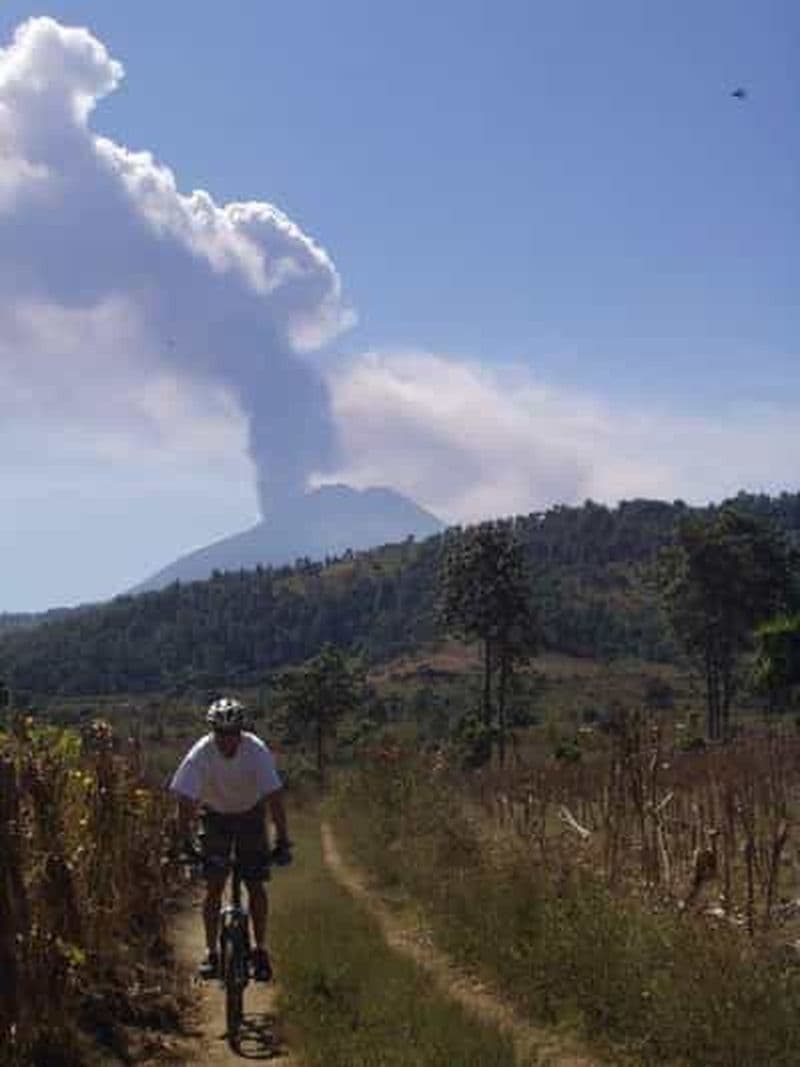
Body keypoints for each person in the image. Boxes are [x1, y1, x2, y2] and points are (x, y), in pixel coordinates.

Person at [169, 696, 291, 981]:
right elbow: (185, 799)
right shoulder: (201, 752)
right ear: (213, 732)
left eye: (232, 734)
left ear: (241, 732)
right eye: (221, 734)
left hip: (250, 814)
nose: (226, 740)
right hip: (215, 817)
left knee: (256, 883)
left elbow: (274, 796)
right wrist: (183, 841)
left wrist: (282, 839)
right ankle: (211, 953)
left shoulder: (256, 750)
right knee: (213, 886)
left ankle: (260, 950)